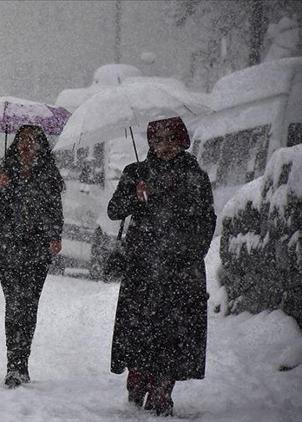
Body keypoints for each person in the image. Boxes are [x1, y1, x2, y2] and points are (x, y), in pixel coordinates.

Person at [107, 117, 216, 416]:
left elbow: (206, 221)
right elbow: (114, 210)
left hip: (180, 270)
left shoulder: (195, 176)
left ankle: (162, 390)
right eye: (158, 140)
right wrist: (134, 195)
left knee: (173, 334)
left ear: (182, 141)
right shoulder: (136, 172)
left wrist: (191, 253)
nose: (165, 146)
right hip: (142, 268)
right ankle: (138, 377)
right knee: (139, 330)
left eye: (171, 139)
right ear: (150, 143)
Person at [0, 125, 65, 388]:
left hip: (37, 251)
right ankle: (13, 365)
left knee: (29, 306)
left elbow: (55, 211)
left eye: (33, 141)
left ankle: (22, 363)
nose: (27, 146)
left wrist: (54, 236)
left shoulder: (48, 175)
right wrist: (0, 188)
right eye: (23, 141)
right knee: (14, 304)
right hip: (8, 248)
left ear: (41, 145)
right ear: (16, 144)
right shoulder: (1, 173)